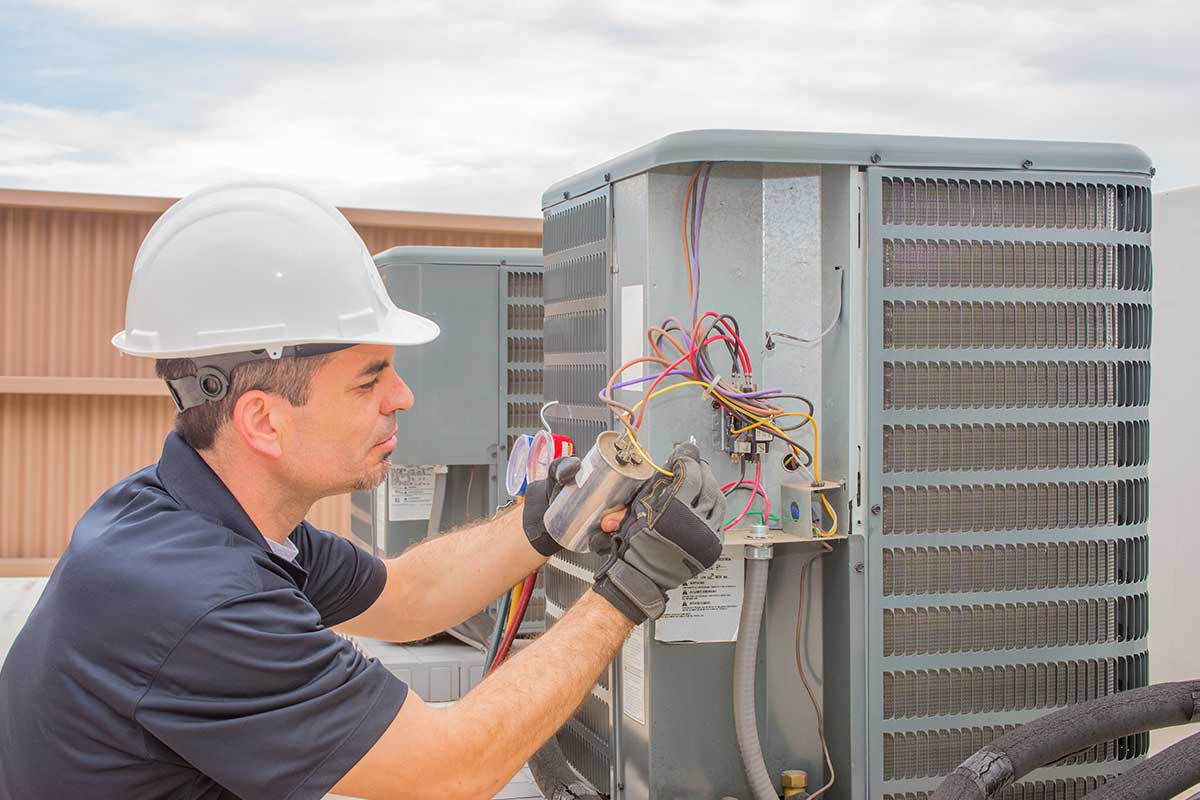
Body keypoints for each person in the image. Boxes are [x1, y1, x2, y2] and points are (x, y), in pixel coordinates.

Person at [0, 182, 726, 800]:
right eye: (370, 379)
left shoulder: (187, 515)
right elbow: (453, 767)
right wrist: (632, 590)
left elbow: (405, 597)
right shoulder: (200, 602)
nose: (403, 397)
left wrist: (548, 514)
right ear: (263, 420)